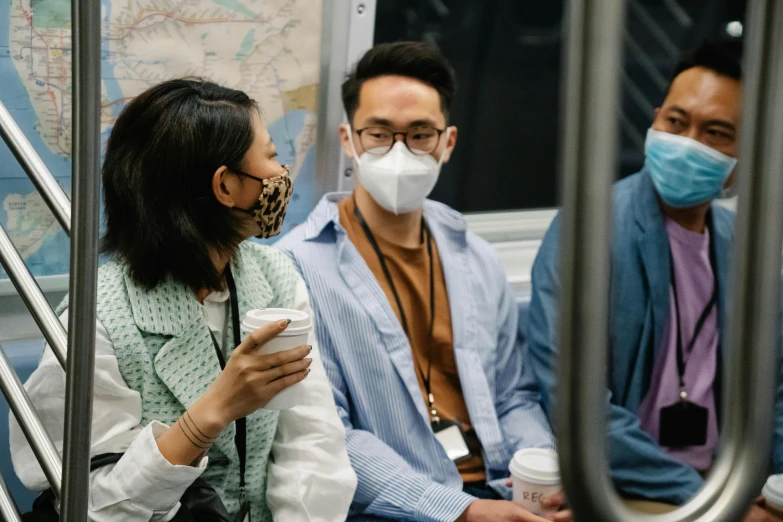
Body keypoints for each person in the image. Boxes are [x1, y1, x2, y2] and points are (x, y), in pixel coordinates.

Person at [9, 79, 356, 521]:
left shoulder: (276, 278)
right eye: (270, 157)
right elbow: (93, 505)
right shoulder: (97, 317)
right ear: (226, 186)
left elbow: (312, 444)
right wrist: (212, 412)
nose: (282, 172)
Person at [277, 42, 572, 522]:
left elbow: (513, 394)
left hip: (501, 490)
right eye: (379, 133)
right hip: (398, 509)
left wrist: (542, 476)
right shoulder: (298, 267)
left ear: (448, 143)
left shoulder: (475, 255)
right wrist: (464, 511)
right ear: (349, 139)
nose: (399, 152)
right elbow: (330, 433)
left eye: (420, 135)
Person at [528, 40, 783, 521]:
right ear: (653, 121)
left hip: (732, 481)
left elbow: (774, 391)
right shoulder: (590, 229)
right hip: (631, 488)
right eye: (676, 122)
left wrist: (768, 488)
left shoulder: (745, 249)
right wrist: (715, 503)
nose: (688, 142)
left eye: (716, 132)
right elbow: (580, 409)